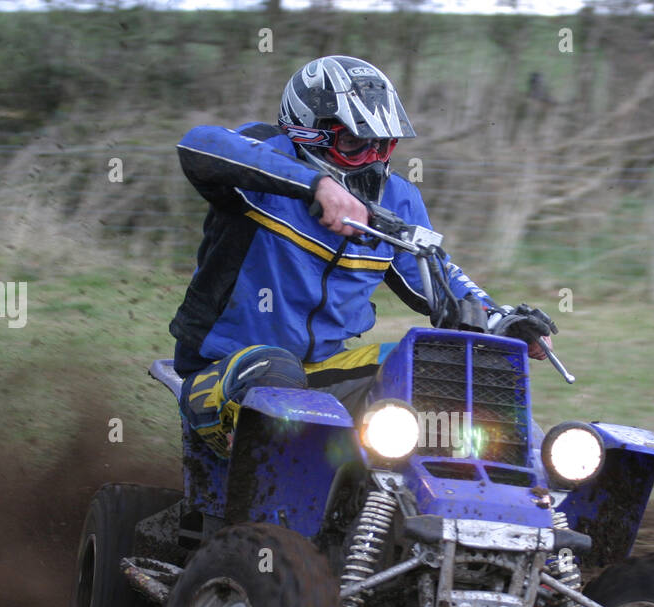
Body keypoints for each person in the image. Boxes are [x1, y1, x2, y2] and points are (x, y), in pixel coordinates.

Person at [169, 54, 551, 456]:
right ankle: (262, 498)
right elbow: (198, 144)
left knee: (442, 366)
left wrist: (498, 317)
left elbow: (439, 277)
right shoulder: (263, 158)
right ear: (308, 133)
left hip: (324, 374)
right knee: (276, 370)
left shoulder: (399, 200)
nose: (372, 160)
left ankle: (458, 498)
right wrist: (316, 185)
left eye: (382, 146)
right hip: (225, 372)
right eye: (354, 143)